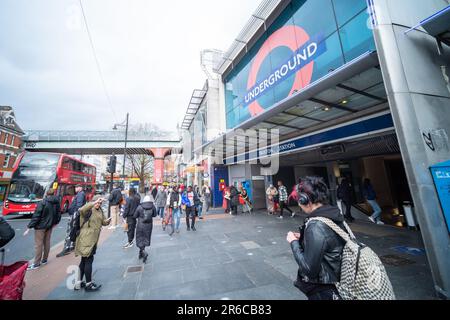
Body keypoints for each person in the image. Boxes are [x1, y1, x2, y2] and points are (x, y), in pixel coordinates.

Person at [286, 176, 346, 300]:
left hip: (323, 289)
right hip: (337, 280)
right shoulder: (333, 215)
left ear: (304, 200)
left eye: (298, 200)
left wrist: (293, 242)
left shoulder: (316, 226)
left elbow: (309, 269)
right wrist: (303, 237)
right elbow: (328, 242)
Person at [73, 196, 111, 291]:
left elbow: (103, 222)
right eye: (97, 202)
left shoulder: (100, 211)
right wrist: (94, 203)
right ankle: (88, 284)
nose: (98, 204)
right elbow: (81, 209)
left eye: (100, 203)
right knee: (88, 260)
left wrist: (107, 221)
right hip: (86, 239)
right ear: (93, 202)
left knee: (84, 261)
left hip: (93, 239)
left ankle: (78, 283)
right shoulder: (88, 209)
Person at [24, 189, 61, 270]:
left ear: (46, 194)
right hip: (50, 225)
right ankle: (44, 260)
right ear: (53, 193)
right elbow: (58, 214)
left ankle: (36, 263)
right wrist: (55, 223)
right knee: (47, 242)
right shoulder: (57, 202)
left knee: (39, 245)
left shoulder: (42, 203)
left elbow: (36, 216)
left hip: (40, 227)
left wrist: (29, 227)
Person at [57, 184, 86, 257]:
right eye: (75, 187)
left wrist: (75, 215)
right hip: (75, 215)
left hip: (74, 215)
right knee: (74, 231)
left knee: (69, 232)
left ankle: (66, 248)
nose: (75, 188)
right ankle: (72, 246)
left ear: (80, 188)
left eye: (77, 187)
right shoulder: (80, 194)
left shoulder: (80, 194)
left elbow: (79, 206)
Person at [133, 195, 156, 263]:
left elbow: (135, 215)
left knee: (139, 238)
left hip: (140, 225)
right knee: (146, 238)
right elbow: (155, 215)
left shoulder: (140, 207)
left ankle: (143, 252)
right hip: (149, 225)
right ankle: (141, 253)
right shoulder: (152, 206)